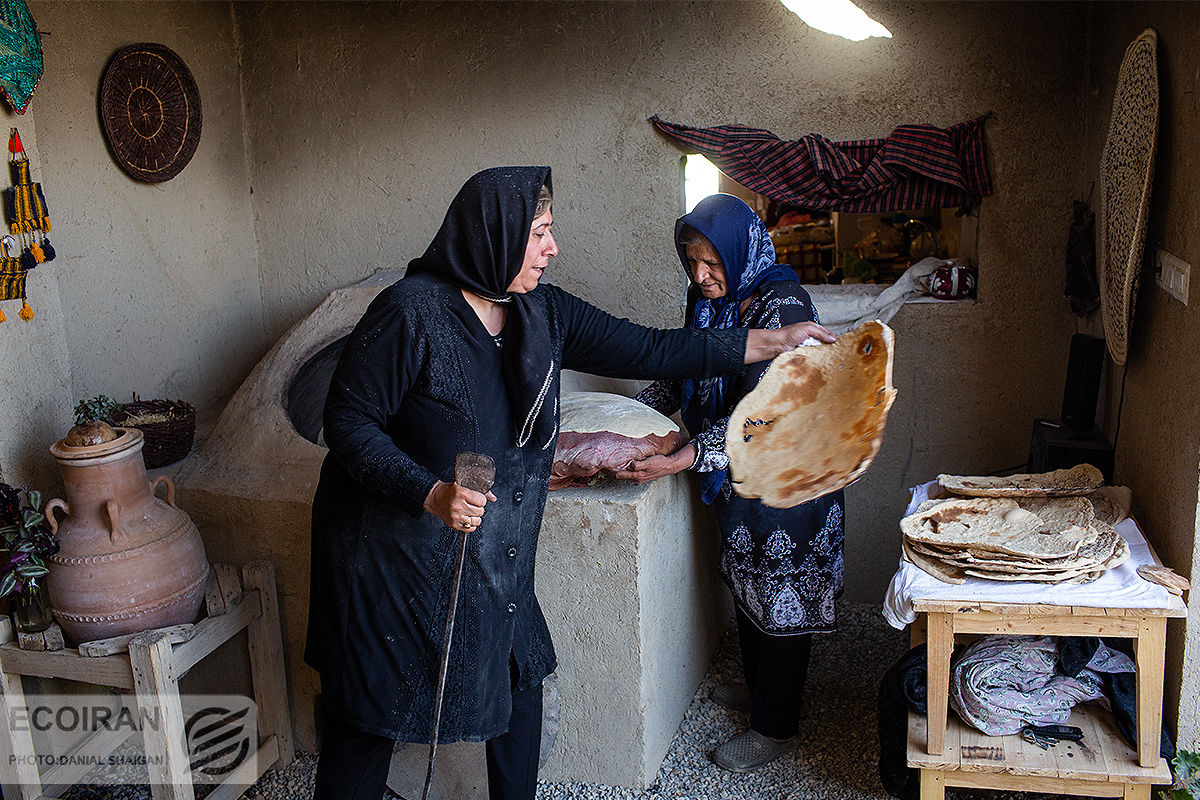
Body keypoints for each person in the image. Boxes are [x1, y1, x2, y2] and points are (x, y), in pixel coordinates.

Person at [303, 168, 835, 800]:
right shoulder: (410, 313)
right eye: (540, 233)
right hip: (392, 558)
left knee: (519, 681)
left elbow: (651, 350)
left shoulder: (541, 311)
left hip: (486, 549)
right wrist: (428, 492)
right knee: (372, 710)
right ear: (494, 235)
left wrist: (771, 340)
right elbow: (349, 423)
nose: (553, 248)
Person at [616, 193, 845, 773]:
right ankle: (761, 691)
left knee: (782, 595)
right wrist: (632, 422)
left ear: (741, 251)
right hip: (741, 482)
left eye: (713, 263)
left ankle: (776, 729)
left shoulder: (781, 303)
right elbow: (684, 368)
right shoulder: (707, 300)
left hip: (791, 486)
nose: (702, 276)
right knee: (749, 589)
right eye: (692, 262)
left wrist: (686, 454)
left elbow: (770, 412)